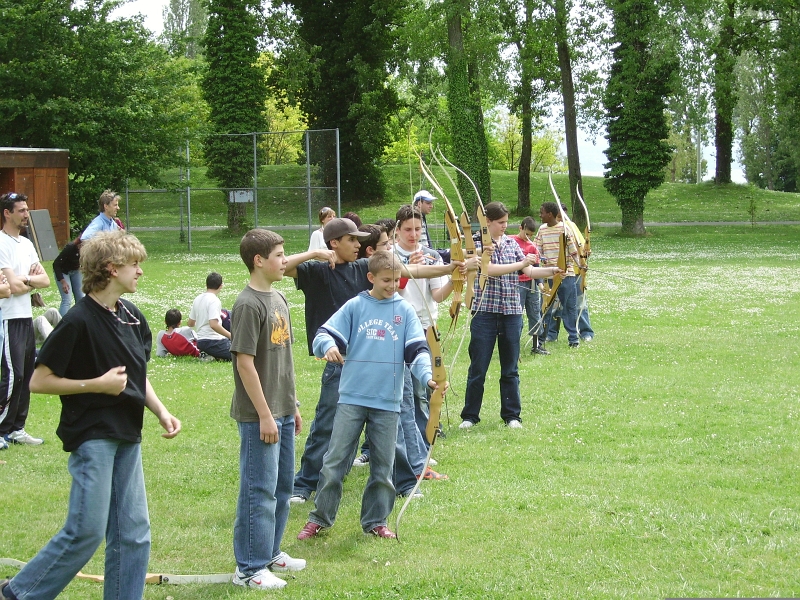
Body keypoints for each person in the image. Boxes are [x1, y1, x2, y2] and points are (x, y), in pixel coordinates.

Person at [0, 230, 181, 600]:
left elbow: (135, 375)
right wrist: (96, 384)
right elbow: (38, 381)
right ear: (111, 269)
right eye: (135, 265)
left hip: (127, 434)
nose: (140, 272)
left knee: (134, 533)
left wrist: (161, 411)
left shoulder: (133, 316)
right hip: (93, 435)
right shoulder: (77, 320)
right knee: (86, 530)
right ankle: (18, 594)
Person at [286, 217, 458, 503]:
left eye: (359, 239)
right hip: (342, 363)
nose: (359, 244)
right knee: (327, 423)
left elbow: (408, 270)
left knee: (401, 418)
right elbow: (279, 266)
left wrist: (451, 268)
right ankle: (304, 484)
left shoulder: (362, 268)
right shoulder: (316, 271)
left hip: (383, 359)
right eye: (352, 240)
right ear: (334, 243)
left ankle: (405, 481)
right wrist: (314, 253)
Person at [296, 251, 437, 541]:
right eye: (387, 280)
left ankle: (376, 521)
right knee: (334, 462)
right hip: (351, 399)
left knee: (383, 467)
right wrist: (327, 347)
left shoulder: (405, 311)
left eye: (397, 280)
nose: (393, 285)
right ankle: (320, 518)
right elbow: (323, 333)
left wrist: (428, 378)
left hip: (387, 402)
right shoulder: (356, 306)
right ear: (371, 277)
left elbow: (418, 351)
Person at [230, 229, 306, 590]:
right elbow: (245, 363)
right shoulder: (247, 304)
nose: (285, 260)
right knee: (258, 489)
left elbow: (284, 361)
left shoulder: (278, 298)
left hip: (283, 409)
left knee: (281, 486)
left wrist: (292, 406)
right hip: (258, 414)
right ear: (258, 260)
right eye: (278, 254)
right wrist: (264, 414)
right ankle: (249, 568)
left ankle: (271, 552)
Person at [459, 202, 563, 430]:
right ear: (488, 222)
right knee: (478, 367)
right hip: (484, 312)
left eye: (506, 222)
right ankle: (470, 416)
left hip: (512, 313)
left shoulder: (510, 243)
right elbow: (487, 270)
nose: (504, 227)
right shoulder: (477, 244)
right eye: (500, 223)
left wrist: (552, 271)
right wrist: (521, 263)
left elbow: (530, 272)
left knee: (510, 368)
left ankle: (512, 415)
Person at [0, 192, 50, 448]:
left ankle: (17, 427)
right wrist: (27, 280)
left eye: (27, 209)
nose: (26, 214)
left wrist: (27, 280)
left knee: (27, 374)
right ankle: (1, 428)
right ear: (7, 213)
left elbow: (45, 280)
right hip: (8, 317)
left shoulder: (27, 244)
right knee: (13, 374)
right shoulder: (1, 243)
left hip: (25, 316)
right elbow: (12, 287)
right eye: (21, 210)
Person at [534, 202, 582, 350]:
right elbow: (536, 249)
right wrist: (540, 259)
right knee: (546, 307)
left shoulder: (564, 228)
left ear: (550, 214)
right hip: (549, 274)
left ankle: (573, 339)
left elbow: (573, 250)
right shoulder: (542, 229)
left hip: (566, 274)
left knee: (569, 307)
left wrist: (580, 264)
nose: (540, 215)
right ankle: (541, 340)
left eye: (542, 212)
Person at [511, 217, 547, 355]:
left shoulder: (532, 246)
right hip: (517, 283)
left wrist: (540, 283)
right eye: (527, 234)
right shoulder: (511, 241)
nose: (529, 237)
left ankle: (536, 345)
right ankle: (514, 346)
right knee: (516, 314)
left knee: (534, 312)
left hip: (531, 283)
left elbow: (536, 267)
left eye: (531, 235)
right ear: (520, 228)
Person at [188, 272, 231, 360]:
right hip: (213, 340)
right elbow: (213, 324)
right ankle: (213, 356)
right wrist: (231, 335)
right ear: (221, 286)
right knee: (240, 354)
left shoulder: (197, 298)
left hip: (200, 341)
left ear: (206, 284)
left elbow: (190, 323)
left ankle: (209, 354)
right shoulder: (214, 300)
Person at [52, 237, 84, 316]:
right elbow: (56, 264)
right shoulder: (70, 248)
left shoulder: (88, 250)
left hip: (76, 271)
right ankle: (62, 324)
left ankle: (80, 322)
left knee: (81, 298)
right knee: (67, 299)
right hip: (63, 272)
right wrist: (63, 282)